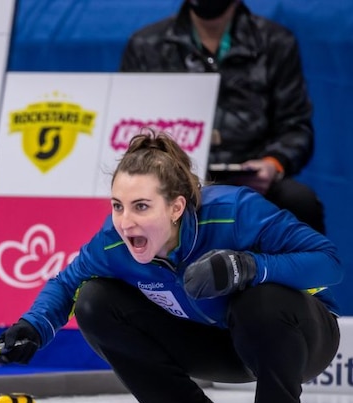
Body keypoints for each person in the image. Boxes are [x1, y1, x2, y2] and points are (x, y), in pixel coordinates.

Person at [0, 130, 341, 403]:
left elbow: (328, 263)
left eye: (141, 207)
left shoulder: (235, 211)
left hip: (299, 340)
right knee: (94, 299)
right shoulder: (114, 242)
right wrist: (33, 327)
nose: (125, 222)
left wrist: (249, 267)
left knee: (261, 299)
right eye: (118, 206)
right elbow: (66, 284)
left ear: (176, 208)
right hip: (220, 346)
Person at [119, 0, 326, 234]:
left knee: (300, 201)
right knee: (135, 203)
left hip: (251, 181)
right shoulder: (146, 45)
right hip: (171, 180)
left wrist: (272, 164)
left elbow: (296, 126)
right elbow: (129, 126)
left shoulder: (275, 43)